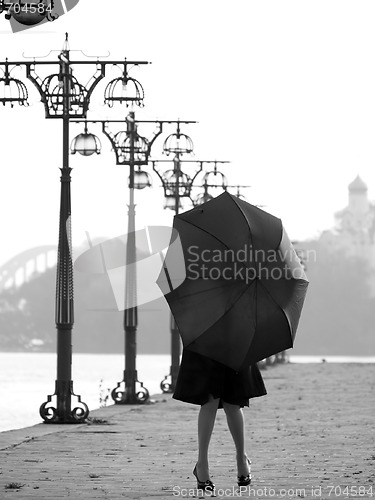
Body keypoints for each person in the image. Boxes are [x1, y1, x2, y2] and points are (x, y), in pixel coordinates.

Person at [173, 348, 267, 491]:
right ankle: (241, 462)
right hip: (235, 338)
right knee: (232, 401)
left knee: (210, 400)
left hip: (205, 336)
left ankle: (203, 467)